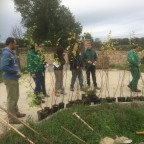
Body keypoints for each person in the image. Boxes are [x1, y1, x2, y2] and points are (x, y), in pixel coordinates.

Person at [1, 37, 26, 124]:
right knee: (11, 98)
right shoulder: (6, 54)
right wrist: (15, 71)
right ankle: (12, 119)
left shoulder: (10, 53)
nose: (16, 45)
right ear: (11, 43)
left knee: (15, 96)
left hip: (14, 78)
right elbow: (3, 66)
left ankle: (16, 113)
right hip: (10, 79)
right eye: (15, 43)